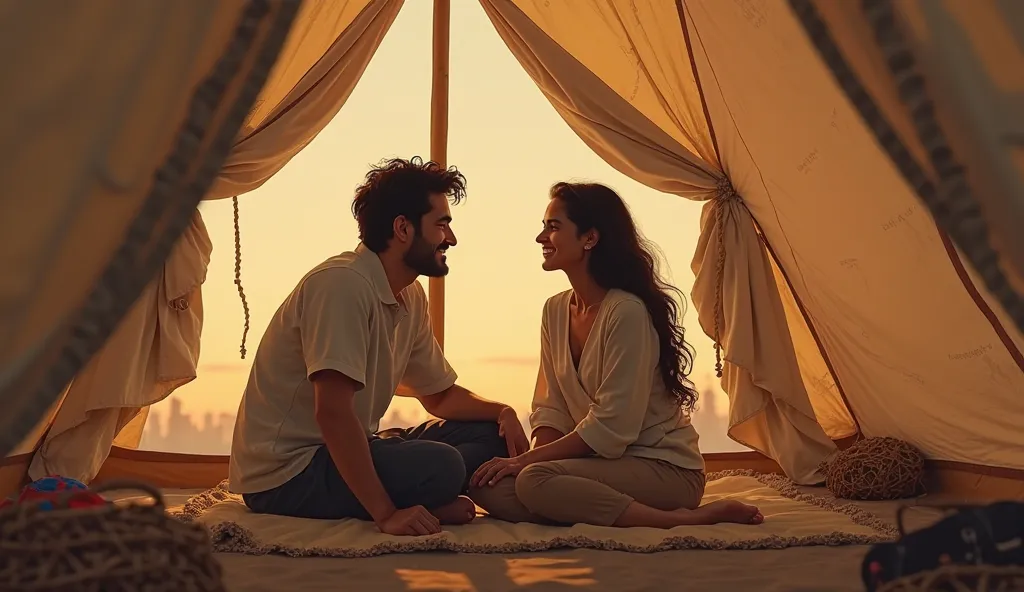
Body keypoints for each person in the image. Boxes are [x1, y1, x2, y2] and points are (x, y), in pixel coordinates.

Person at [228, 157, 529, 537]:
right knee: (444, 465)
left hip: (349, 450)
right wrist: (386, 515)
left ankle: (431, 495)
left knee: (488, 434)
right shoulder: (342, 285)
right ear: (403, 228)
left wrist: (502, 411)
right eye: (442, 224)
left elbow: (439, 396)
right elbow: (333, 414)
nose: (450, 239)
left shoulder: (410, 295)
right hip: (288, 473)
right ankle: (422, 496)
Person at [469, 182, 764, 528]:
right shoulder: (555, 310)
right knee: (486, 487)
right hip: (594, 465)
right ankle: (585, 504)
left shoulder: (626, 312)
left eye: (553, 227)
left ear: (589, 238)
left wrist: (530, 468)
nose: (540, 237)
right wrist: (531, 463)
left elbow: (612, 426)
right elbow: (551, 408)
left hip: (663, 470)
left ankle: (679, 519)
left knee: (532, 483)